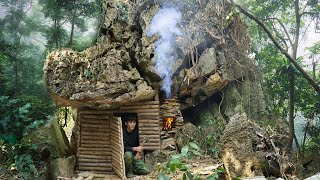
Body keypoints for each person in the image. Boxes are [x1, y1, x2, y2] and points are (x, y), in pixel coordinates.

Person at [122, 113, 150, 178]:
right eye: (130, 122)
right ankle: (129, 172)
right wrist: (134, 149)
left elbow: (139, 146)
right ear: (126, 123)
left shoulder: (136, 133)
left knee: (146, 171)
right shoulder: (122, 133)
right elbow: (122, 147)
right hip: (125, 155)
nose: (132, 124)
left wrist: (139, 153)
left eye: (134, 122)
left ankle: (132, 168)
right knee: (128, 154)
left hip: (134, 156)